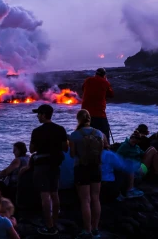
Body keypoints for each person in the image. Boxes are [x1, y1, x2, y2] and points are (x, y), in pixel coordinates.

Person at [29, 104, 68, 236]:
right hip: (55, 164)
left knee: (45, 195)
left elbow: (32, 150)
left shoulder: (37, 131)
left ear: (44, 115)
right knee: (54, 193)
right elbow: (65, 148)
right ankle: (55, 222)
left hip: (41, 165)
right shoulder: (60, 129)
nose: (37, 116)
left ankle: (49, 225)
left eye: (39, 114)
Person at [69, 109, 104, 239]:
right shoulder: (99, 133)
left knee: (85, 200)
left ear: (78, 119)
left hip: (81, 168)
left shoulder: (75, 135)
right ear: (89, 118)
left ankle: (87, 230)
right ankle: (96, 229)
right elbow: (104, 148)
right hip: (96, 168)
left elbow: (72, 154)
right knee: (96, 198)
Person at [117, 130, 158, 198]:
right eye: (133, 141)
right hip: (137, 169)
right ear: (131, 138)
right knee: (153, 150)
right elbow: (117, 157)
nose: (134, 143)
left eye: (136, 142)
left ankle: (156, 172)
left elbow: (143, 154)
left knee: (152, 148)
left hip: (138, 164)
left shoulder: (136, 146)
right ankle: (157, 173)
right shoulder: (125, 146)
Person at [81, 68, 114, 144]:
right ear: (104, 75)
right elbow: (111, 94)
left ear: (95, 74)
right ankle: (105, 149)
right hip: (99, 113)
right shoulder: (105, 82)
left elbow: (83, 88)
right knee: (104, 132)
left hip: (85, 113)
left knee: (86, 134)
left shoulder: (88, 80)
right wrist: (106, 81)